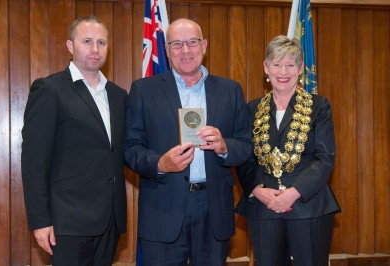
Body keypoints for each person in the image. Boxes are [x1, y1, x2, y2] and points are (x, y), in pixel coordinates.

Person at [124, 18, 252, 265]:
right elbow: (130, 148)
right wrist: (160, 163)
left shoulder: (230, 90)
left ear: (204, 45)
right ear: (167, 50)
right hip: (162, 208)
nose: (185, 50)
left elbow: (245, 145)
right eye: (177, 44)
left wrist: (225, 146)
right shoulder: (143, 90)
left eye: (192, 42)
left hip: (213, 208)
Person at [21, 15, 127, 265]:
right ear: (70, 46)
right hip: (67, 223)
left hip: (110, 220)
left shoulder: (118, 95)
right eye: (87, 41)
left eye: (101, 42)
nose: (95, 49)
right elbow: (34, 160)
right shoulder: (49, 90)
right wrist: (40, 220)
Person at [236, 35, 341, 266]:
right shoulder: (251, 109)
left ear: (301, 68)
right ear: (266, 67)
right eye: (276, 64)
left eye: (290, 65)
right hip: (264, 205)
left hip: (308, 205)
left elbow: (325, 158)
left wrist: (293, 193)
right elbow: (243, 157)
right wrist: (258, 190)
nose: (283, 71)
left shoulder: (319, 106)